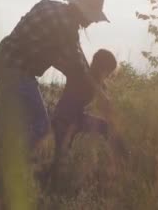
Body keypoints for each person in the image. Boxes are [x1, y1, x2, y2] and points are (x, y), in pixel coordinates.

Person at [0, 0, 110, 161]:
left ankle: (3, 165)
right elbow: (79, 67)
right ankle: (8, 167)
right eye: (92, 18)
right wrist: (101, 94)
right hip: (16, 70)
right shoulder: (67, 27)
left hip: (2, 60)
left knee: (17, 125)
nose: (92, 23)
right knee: (41, 127)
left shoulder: (49, 5)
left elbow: (73, 53)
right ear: (84, 13)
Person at [49, 49, 125, 178]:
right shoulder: (80, 74)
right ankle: (50, 183)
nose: (108, 75)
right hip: (63, 119)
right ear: (102, 67)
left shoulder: (98, 83)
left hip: (77, 118)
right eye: (108, 71)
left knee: (105, 127)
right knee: (61, 159)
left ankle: (123, 160)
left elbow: (106, 108)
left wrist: (115, 126)